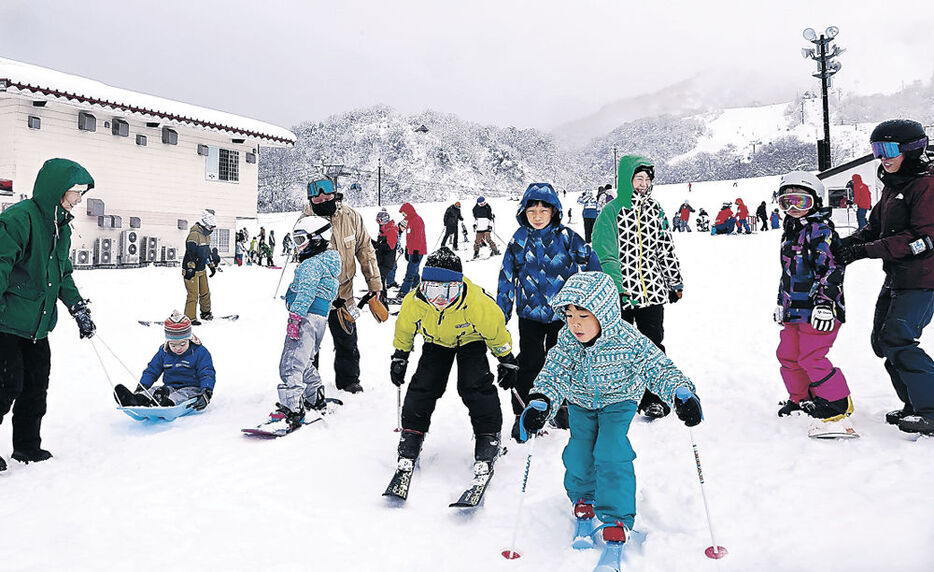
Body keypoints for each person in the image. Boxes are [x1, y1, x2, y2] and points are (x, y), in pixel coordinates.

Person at [517, 271, 701, 568]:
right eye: (569, 314)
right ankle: (584, 498)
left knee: (611, 450)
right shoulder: (567, 340)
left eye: (583, 315)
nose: (575, 323)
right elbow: (553, 374)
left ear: (603, 312)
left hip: (620, 400)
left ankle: (616, 516)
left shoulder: (629, 340)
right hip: (580, 401)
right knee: (579, 452)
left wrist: (680, 393)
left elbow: (658, 368)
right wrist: (542, 402)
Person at [836, 119, 934, 435]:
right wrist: (843, 245)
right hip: (898, 276)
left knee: (898, 339)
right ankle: (915, 404)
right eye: (877, 150)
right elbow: (874, 227)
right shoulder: (895, 187)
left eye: (889, 149)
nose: (883, 157)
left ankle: (930, 408)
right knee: (883, 341)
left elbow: (920, 238)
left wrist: (863, 251)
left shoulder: (926, 186)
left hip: (923, 278)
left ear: (911, 149)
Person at [0, 158, 97, 470]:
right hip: (7, 324)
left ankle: (27, 448)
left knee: (35, 388)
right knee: (5, 387)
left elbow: (62, 274)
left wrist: (77, 308)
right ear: (57, 191)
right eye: (75, 193)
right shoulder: (20, 219)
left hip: (38, 326)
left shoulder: (60, 227)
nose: (79, 200)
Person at [389, 247, 515, 481]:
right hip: (435, 341)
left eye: (447, 291)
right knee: (424, 385)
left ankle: (488, 435)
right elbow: (405, 328)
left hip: (470, 340)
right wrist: (400, 355)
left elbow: (495, 331)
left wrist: (506, 359)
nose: (438, 300)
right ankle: (412, 433)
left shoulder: (477, 302)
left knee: (474, 385)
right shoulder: (415, 301)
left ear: (458, 286)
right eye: (431, 290)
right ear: (422, 286)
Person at [496, 183, 601, 440]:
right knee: (530, 361)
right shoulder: (519, 240)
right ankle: (523, 412)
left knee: (563, 361)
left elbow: (590, 260)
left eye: (544, 209)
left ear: (554, 211)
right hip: (530, 314)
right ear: (524, 212)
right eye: (532, 210)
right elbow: (507, 276)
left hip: (563, 315)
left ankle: (562, 405)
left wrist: (595, 298)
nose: (538, 215)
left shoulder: (566, 237)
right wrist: (502, 313)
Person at [592, 155, 684, 419]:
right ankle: (618, 397)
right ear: (626, 180)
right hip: (622, 293)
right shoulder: (612, 212)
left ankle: (653, 398)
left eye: (647, 179)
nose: (643, 184)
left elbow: (665, 248)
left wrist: (673, 281)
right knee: (617, 347)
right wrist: (617, 288)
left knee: (653, 345)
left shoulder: (656, 210)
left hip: (652, 291)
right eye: (638, 179)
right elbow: (604, 253)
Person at [772, 172, 853, 430]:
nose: (794, 209)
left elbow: (832, 269)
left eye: (801, 202)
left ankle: (836, 401)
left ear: (815, 202)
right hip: (793, 308)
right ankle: (801, 398)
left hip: (819, 311)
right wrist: (780, 303)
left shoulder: (821, 231)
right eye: (787, 203)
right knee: (788, 355)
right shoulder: (791, 231)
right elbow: (788, 273)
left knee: (811, 357)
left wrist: (825, 304)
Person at [256, 217, 341, 433]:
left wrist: (295, 316)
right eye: (295, 240)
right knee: (304, 361)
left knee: (291, 362)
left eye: (301, 239)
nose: (298, 245)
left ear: (317, 239)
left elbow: (307, 292)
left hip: (305, 318)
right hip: (318, 320)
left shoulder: (312, 264)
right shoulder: (327, 262)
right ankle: (315, 396)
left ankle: (292, 408)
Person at [301, 180, 382, 394]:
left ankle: (349, 381)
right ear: (310, 199)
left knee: (347, 340)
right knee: (310, 345)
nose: (322, 201)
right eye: (317, 198)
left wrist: (374, 283)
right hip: (315, 295)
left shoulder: (351, 217)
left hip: (344, 294)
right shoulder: (305, 221)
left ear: (334, 195)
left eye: (327, 197)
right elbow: (301, 258)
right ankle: (309, 385)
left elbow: (366, 250)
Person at [113, 311, 215, 411]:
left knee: (180, 395)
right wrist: (143, 386)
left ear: (189, 339)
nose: (177, 348)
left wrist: (206, 392)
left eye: (182, 344)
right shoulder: (164, 352)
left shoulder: (199, 352)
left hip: (192, 388)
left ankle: (166, 403)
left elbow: (207, 372)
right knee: (153, 391)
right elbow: (152, 370)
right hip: (168, 388)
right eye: (173, 345)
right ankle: (137, 399)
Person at [183, 209, 217, 324]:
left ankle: (206, 313)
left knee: (205, 292)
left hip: (201, 269)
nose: (212, 230)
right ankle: (190, 318)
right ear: (204, 225)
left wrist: (211, 266)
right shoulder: (194, 235)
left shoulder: (206, 236)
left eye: (213, 228)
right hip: (191, 270)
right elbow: (190, 254)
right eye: (210, 227)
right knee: (193, 295)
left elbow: (207, 253)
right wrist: (190, 268)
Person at [397, 202, 426, 299]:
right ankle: (417, 288)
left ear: (408, 211)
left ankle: (403, 293)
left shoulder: (417, 220)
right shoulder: (408, 220)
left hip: (417, 251)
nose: (403, 215)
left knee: (410, 273)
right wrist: (407, 249)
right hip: (412, 250)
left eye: (404, 213)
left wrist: (415, 252)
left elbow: (418, 237)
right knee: (415, 271)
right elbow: (408, 236)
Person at [373, 209, 400, 304]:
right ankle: (380, 299)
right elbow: (380, 243)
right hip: (381, 260)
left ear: (384, 220)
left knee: (380, 280)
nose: (378, 223)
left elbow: (390, 246)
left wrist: (377, 245)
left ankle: (382, 301)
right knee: (379, 279)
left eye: (379, 221)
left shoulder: (391, 230)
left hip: (386, 261)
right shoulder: (383, 229)